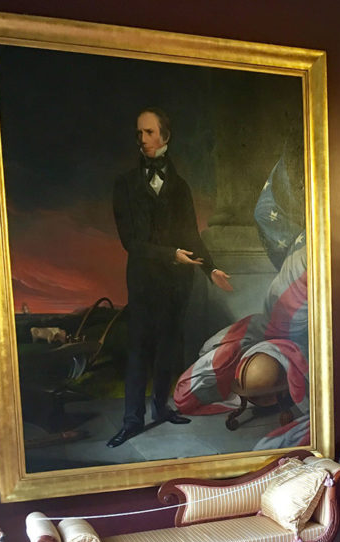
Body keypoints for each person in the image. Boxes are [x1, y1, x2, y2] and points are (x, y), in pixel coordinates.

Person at [107, 107, 233, 448]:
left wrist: (211, 268)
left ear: (165, 136)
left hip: (178, 283)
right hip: (145, 282)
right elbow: (130, 242)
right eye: (139, 133)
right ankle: (132, 421)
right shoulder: (125, 185)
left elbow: (191, 235)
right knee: (138, 352)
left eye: (149, 132)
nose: (142, 139)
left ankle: (160, 408)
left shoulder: (180, 186)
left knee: (167, 349)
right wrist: (169, 254)